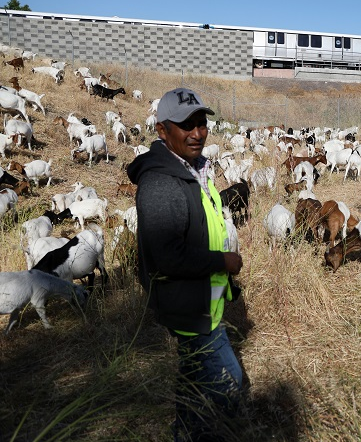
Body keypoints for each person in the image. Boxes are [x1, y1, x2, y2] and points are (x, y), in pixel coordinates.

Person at [127, 87, 243, 441]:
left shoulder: (192, 170)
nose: (197, 132)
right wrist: (224, 260)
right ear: (162, 129)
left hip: (203, 302)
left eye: (201, 123)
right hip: (189, 308)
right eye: (185, 125)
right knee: (228, 384)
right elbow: (167, 255)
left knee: (194, 384)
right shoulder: (162, 182)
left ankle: (185, 432)